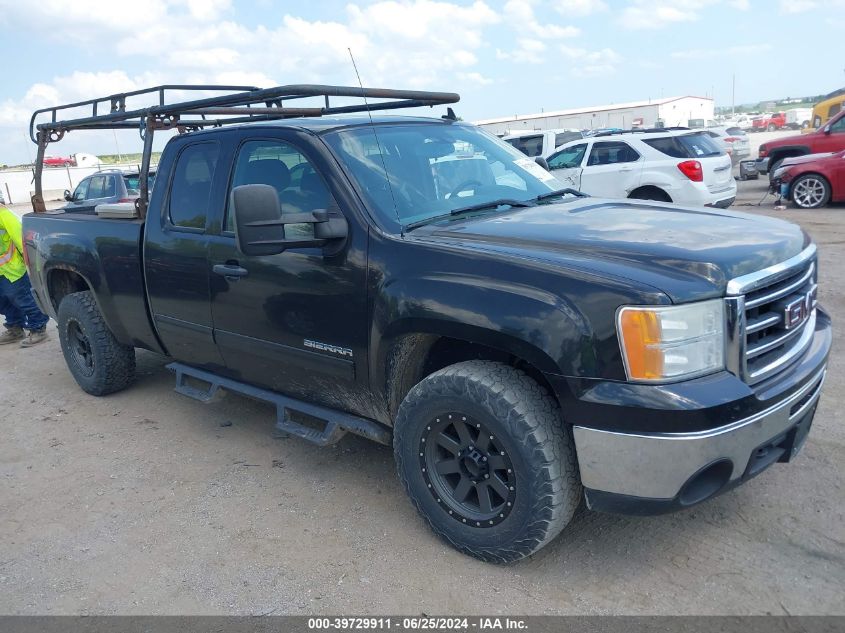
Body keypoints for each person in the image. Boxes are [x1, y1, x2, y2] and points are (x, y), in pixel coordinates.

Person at [0, 206, 49, 347]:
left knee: (22, 298)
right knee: (4, 301)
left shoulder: (3, 214)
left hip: (12, 268)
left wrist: (31, 263)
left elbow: (21, 237)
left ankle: (38, 328)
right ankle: (15, 328)